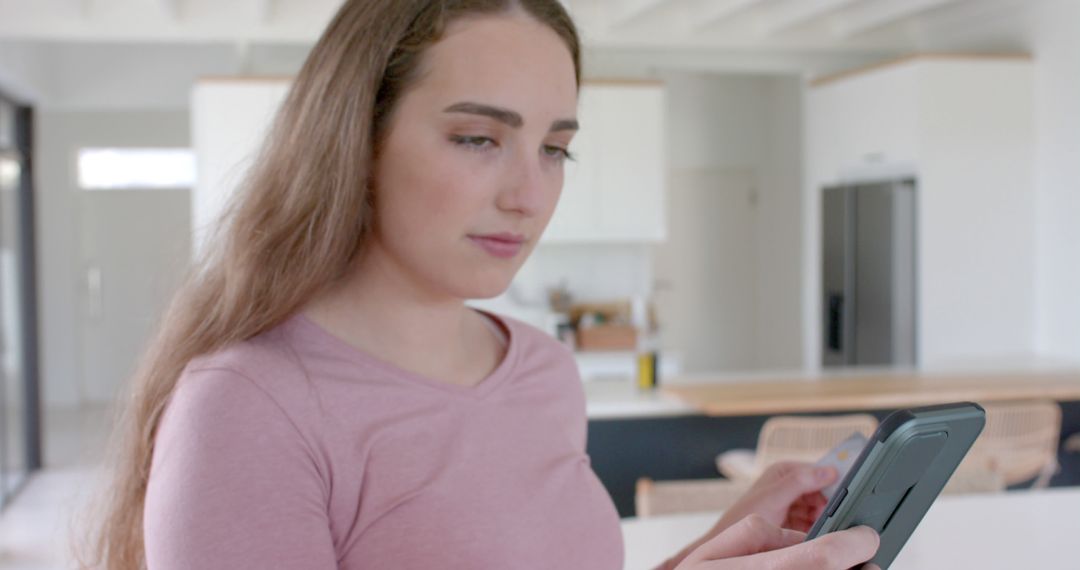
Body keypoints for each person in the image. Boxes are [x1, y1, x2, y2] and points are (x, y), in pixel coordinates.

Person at [84, 0, 880, 568]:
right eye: (477, 138)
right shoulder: (248, 409)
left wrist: (723, 546)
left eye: (553, 149)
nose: (528, 194)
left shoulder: (541, 371)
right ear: (354, 140)